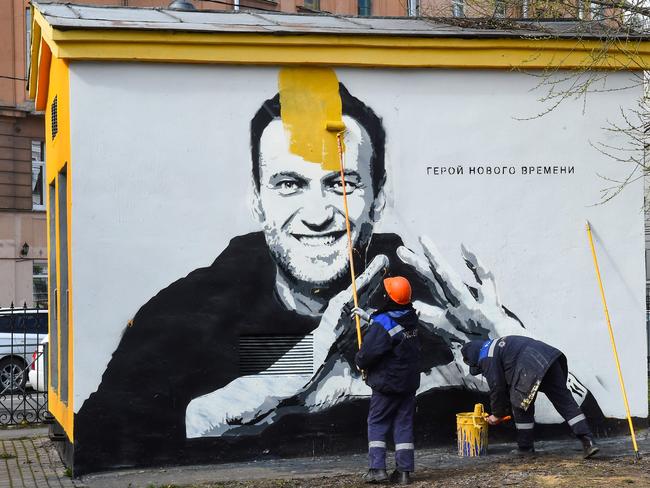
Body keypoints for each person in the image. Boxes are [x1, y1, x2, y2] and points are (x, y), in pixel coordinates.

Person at [73, 67, 603, 472]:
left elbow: (581, 409)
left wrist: (502, 339)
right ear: (257, 202)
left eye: (342, 184)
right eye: (287, 185)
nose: (319, 212)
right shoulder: (187, 310)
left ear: (376, 201)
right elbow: (106, 436)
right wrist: (297, 365)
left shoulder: (443, 296)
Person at [461, 336, 600, 459]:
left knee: (520, 405)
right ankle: (589, 442)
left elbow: (497, 387)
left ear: (473, 357)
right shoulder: (496, 346)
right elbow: (506, 385)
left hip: (528, 363)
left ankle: (525, 447)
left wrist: (497, 415)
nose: (480, 370)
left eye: (477, 367)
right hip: (549, 357)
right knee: (565, 402)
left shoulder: (486, 356)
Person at [353, 276, 420, 485]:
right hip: (408, 384)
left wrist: (359, 361)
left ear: (389, 296)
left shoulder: (383, 323)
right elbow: (394, 330)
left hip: (387, 385)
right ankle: (403, 473)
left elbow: (369, 352)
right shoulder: (412, 317)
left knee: (377, 423)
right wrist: (370, 319)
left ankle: (377, 469)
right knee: (403, 424)